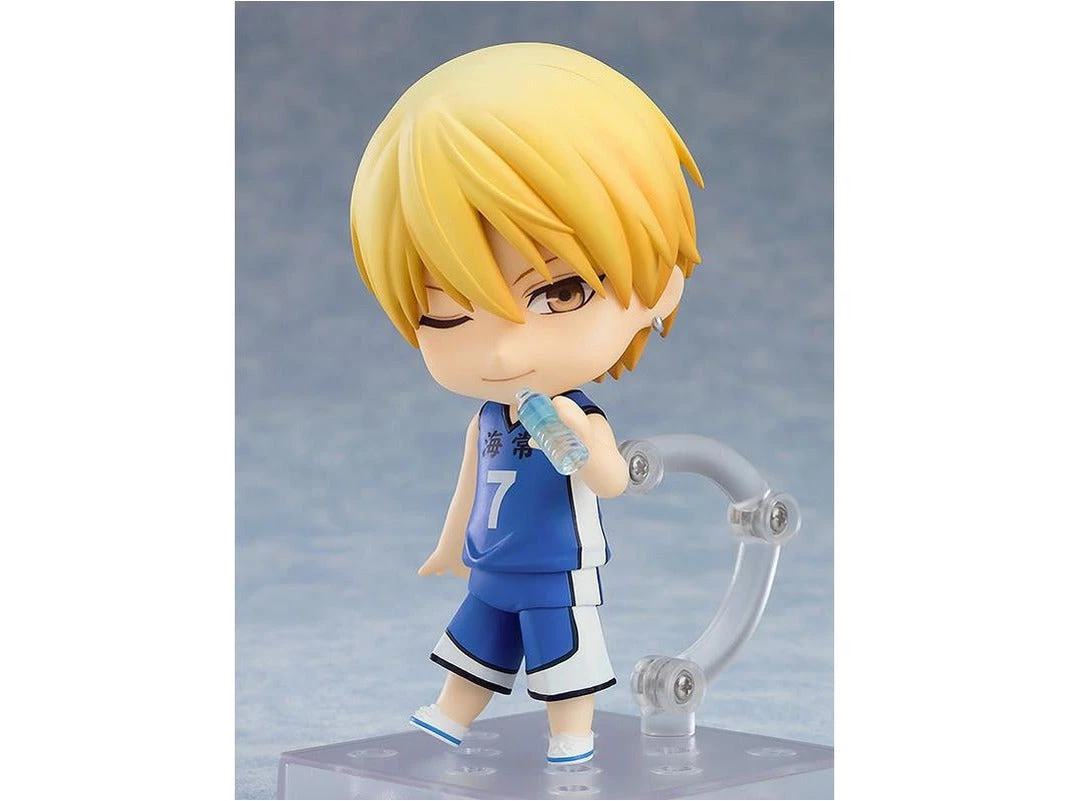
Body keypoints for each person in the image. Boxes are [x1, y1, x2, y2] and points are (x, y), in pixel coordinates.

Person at [349, 42, 703, 765]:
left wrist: (580, 443)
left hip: (555, 569)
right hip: (491, 563)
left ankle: (571, 735)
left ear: (660, 286)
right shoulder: (486, 419)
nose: (506, 352)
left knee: (562, 653)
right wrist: (451, 543)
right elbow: (470, 484)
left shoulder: (579, 415)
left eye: (560, 294)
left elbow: (610, 481)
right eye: (448, 313)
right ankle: (450, 714)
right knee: (474, 645)